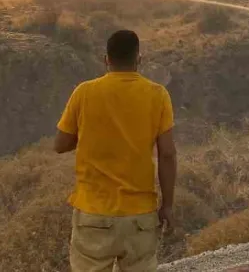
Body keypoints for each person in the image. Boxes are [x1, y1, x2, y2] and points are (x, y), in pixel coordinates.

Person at [54, 30, 177, 272]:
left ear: (106, 59)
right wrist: (168, 206)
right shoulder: (158, 95)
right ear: (138, 59)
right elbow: (167, 154)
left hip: (93, 214)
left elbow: (60, 145)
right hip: (140, 216)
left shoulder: (84, 92)